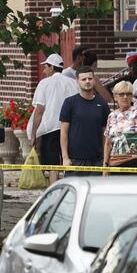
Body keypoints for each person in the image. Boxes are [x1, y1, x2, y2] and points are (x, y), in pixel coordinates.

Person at [30, 53, 79, 185]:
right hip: (69, 127)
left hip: (50, 128)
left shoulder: (44, 83)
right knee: (68, 160)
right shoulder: (73, 83)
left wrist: (33, 133)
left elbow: (39, 110)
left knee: (52, 165)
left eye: (46, 67)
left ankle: (53, 191)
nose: (44, 70)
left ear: (52, 67)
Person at [59, 66, 110, 176]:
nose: (87, 82)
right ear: (77, 81)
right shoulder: (69, 103)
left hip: (97, 161)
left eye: (90, 79)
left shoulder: (102, 104)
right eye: (83, 79)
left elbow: (105, 133)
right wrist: (65, 158)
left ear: (94, 80)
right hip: (75, 161)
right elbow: (63, 132)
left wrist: (105, 161)